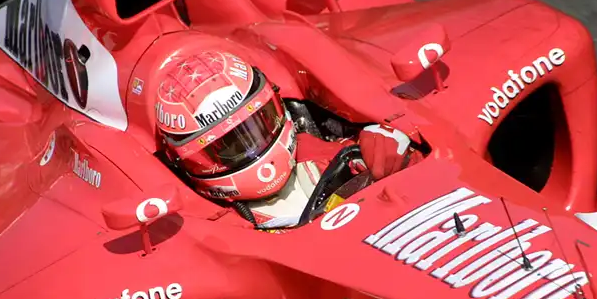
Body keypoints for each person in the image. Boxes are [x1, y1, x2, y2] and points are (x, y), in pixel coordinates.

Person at [153, 48, 423, 229]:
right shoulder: (210, 226)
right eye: (229, 146)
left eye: (258, 125)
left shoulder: (332, 156)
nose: (251, 147)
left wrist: (403, 157)